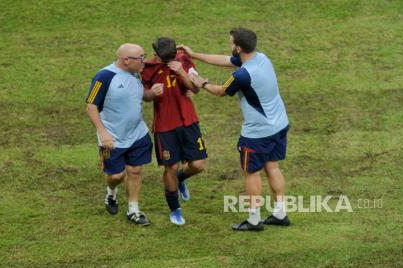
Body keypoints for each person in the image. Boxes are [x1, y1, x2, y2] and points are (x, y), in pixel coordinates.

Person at [179, 28, 291, 231]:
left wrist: (201, 82)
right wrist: (193, 54)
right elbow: (225, 60)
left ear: (238, 47)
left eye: (231, 43)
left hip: (258, 134)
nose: (230, 46)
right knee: (273, 167)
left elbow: (221, 91)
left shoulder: (242, 75)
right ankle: (280, 213)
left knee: (252, 173)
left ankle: (254, 220)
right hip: (279, 125)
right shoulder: (262, 58)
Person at [85, 43, 163, 226]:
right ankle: (111, 192)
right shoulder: (104, 77)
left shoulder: (136, 73)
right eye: (141, 58)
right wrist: (103, 133)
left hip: (137, 134)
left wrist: (152, 93)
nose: (144, 61)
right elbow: (90, 105)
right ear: (126, 60)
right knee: (116, 176)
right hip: (111, 138)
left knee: (135, 171)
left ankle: (133, 210)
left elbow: (142, 95)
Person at [141, 37, 207, 225]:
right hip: (164, 126)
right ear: (156, 54)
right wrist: (152, 93)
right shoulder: (148, 68)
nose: (168, 61)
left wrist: (182, 74)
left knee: (198, 165)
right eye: (164, 58)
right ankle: (175, 209)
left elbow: (196, 88)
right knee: (171, 166)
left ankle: (180, 179)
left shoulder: (184, 61)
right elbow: (145, 96)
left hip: (188, 121)